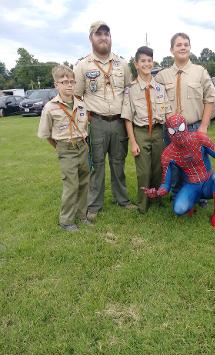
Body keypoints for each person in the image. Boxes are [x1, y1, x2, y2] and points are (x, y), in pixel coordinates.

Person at [74, 20, 136, 222]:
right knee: (97, 165)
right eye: (98, 34)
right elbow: (77, 96)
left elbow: (129, 91)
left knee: (118, 163)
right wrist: (83, 124)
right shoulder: (83, 65)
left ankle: (123, 199)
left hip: (119, 122)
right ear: (91, 38)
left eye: (106, 34)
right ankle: (94, 205)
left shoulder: (122, 64)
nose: (103, 37)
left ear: (110, 38)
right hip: (97, 123)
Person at [142, 114, 215, 229]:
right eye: (173, 131)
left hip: (207, 181)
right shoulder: (167, 154)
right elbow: (166, 184)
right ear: (168, 133)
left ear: (186, 126)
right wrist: (157, 192)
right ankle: (191, 202)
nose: (178, 134)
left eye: (180, 128)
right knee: (179, 209)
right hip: (191, 186)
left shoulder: (200, 138)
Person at [155, 32, 215, 201]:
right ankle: (177, 194)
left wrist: (203, 127)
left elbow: (210, 99)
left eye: (186, 44)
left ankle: (202, 196)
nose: (182, 47)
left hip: (194, 127)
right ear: (171, 50)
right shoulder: (162, 76)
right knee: (175, 164)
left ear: (190, 48)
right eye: (178, 44)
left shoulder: (200, 72)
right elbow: (158, 102)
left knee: (199, 163)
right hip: (172, 131)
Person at [37, 65, 90, 231]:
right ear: (56, 84)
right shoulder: (50, 107)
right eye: (64, 82)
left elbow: (85, 127)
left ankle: (81, 214)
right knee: (71, 184)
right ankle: (66, 220)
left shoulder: (81, 104)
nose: (69, 85)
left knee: (84, 182)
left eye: (72, 81)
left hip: (82, 146)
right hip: (65, 148)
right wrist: (60, 147)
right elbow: (46, 135)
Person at [121, 46, 171, 213]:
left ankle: (158, 198)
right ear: (136, 64)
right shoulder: (131, 89)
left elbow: (168, 112)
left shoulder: (159, 87)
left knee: (159, 168)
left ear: (153, 62)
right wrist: (133, 142)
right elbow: (127, 118)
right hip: (141, 132)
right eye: (142, 61)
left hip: (158, 131)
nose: (146, 64)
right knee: (144, 171)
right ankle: (143, 204)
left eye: (149, 61)